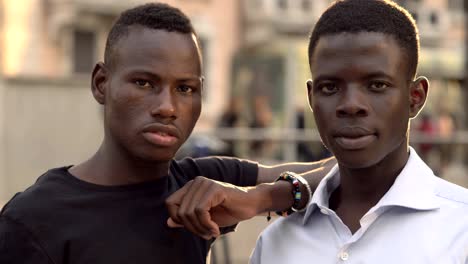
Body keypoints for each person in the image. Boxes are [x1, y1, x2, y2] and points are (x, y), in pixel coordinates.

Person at [0, 3, 334, 264]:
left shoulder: (199, 183)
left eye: (185, 88)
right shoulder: (33, 220)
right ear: (102, 83)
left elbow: (342, 173)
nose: (167, 107)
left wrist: (259, 198)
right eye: (145, 83)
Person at [249, 0, 468, 263]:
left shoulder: (460, 229)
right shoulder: (277, 242)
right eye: (330, 87)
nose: (351, 105)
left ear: (415, 97)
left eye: (376, 85)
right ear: (311, 98)